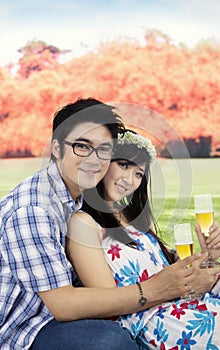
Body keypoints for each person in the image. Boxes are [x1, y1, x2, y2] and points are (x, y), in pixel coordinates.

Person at [67, 130, 220, 349]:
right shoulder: (84, 223)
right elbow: (110, 303)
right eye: (124, 165)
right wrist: (187, 288)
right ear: (104, 163)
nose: (129, 180)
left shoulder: (130, 216)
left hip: (182, 300)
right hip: (156, 318)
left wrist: (207, 256)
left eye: (138, 174)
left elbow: (166, 268)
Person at [0, 98, 140, 350]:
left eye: (104, 150)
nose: (94, 160)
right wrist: (152, 290)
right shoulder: (33, 208)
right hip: (20, 329)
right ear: (56, 148)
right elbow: (64, 304)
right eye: (82, 146)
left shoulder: (77, 193)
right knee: (110, 341)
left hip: (47, 315)